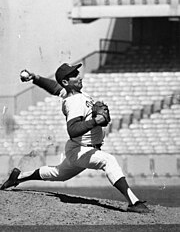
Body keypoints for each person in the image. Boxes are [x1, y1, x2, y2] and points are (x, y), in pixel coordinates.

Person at [0, 63, 149, 213]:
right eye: (75, 75)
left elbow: (55, 88)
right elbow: (72, 130)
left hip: (80, 150)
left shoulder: (71, 94)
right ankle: (134, 202)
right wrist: (95, 121)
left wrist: (36, 78)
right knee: (108, 160)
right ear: (66, 82)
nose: (80, 77)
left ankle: (18, 177)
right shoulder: (74, 102)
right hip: (81, 150)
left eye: (78, 73)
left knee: (58, 174)